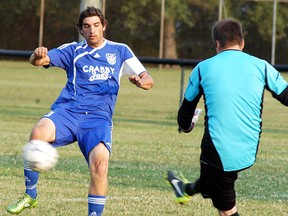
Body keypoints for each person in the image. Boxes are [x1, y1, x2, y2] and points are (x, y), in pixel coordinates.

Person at [7, 6, 154, 215]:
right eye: (87, 26)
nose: (92, 30)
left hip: (98, 119)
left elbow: (148, 79)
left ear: (104, 26)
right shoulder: (72, 50)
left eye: (96, 25)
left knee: (100, 165)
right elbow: (39, 61)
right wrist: (36, 55)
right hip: (69, 111)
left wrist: (141, 82)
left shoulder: (120, 51)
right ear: (81, 30)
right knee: (38, 132)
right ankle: (30, 195)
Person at [166, 18, 288, 216]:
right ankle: (184, 190)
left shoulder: (202, 68)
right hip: (249, 148)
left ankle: (186, 190)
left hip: (219, 150)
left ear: (217, 44)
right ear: (242, 42)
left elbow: (184, 115)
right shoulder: (262, 66)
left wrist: (186, 125)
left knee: (226, 209)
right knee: (210, 180)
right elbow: (286, 95)